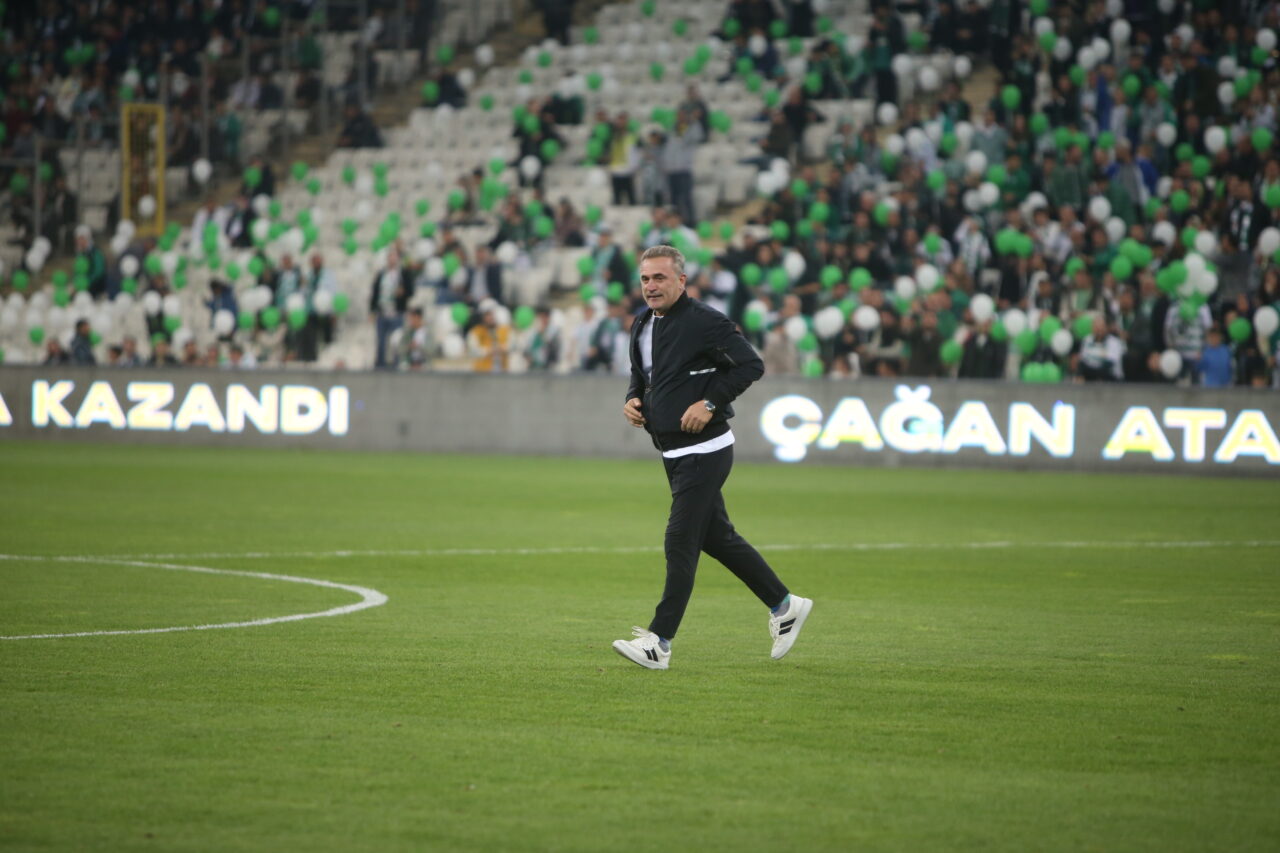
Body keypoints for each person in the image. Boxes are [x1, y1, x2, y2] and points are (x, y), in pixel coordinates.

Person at [613, 245, 812, 670]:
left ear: (681, 281)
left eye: (660, 278)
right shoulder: (643, 322)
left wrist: (709, 403)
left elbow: (750, 365)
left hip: (706, 450)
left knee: (680, 541)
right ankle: (784, 605)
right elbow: (642, 374)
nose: (650, 286)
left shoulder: (705, 321)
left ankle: (659, 643)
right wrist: (633, 399)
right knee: (717, 538)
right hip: (671, 451)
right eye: (645, 279)